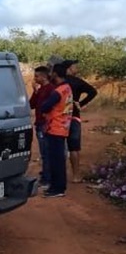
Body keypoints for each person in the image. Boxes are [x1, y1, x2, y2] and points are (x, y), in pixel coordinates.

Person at [39, 63, 73, 198]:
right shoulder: (67, 88)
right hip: (63, 127)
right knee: (58, 159)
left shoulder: (58, 91)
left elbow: (44, 106)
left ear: (55, 74)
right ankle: (58, 186)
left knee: (55, 160)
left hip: (55, 128)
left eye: (52, 72)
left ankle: (57, 188)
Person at [59, 59, 97, 183]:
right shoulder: (77, 81)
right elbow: (93, 91)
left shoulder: (58, 82)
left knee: (57, 147)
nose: (77, 69)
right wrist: (80, 104)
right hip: (74, 117)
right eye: (75, 66)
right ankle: (76, 176)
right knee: (74, 148)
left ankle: (58, 176)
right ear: (69, 68)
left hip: (59, 118)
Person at [29, 65, 54, 188]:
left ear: (44, 77)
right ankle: (46, 175)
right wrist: (35, 91)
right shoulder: (41, 89)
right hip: (39, 123)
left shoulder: (50, 89)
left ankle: (47, 179)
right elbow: (31, 104)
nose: (35, 79)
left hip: (45, 124)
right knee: (44, 152)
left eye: (37, 76)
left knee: (46, 152)